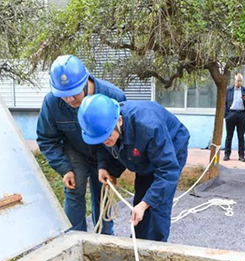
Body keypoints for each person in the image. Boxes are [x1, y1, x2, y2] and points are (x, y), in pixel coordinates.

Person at [78, 94, 190, 242]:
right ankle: (138, 243)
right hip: (140, 150)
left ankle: (156, 250)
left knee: (157, 205)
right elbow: (103, 147)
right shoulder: (103, 127)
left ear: (119, 120)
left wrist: (145, 204)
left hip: (171, 147)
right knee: (141, 196)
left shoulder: (149, 126)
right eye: (99, 138)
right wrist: (104, 167)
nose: (104, 141)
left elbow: (168, 171)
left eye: (107, 136)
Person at [37, 55, 126, 233]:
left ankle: (104, 239)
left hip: (105, 151)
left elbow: (124, 137)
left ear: (85, 81)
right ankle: (75, 240)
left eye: (74, 93)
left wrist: (113, 168)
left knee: (103, 192)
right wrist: (64, 168)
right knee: (74, 187)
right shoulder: (51, 103)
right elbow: (47, 139)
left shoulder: (113, 96)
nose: (69, 100)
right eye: (64, 95)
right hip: (75, 150)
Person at [223, 73, 245, 162]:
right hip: (231, 114)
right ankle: (227, 154)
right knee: (229, 136)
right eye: (237, 80)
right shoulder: (229, 90)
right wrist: (226, 115)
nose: (238, 82)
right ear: (234, 80)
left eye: (240, 81)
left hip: (242, 114)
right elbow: (224, 103)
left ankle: (241, 155)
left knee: (241, 136)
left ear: (242, 81)